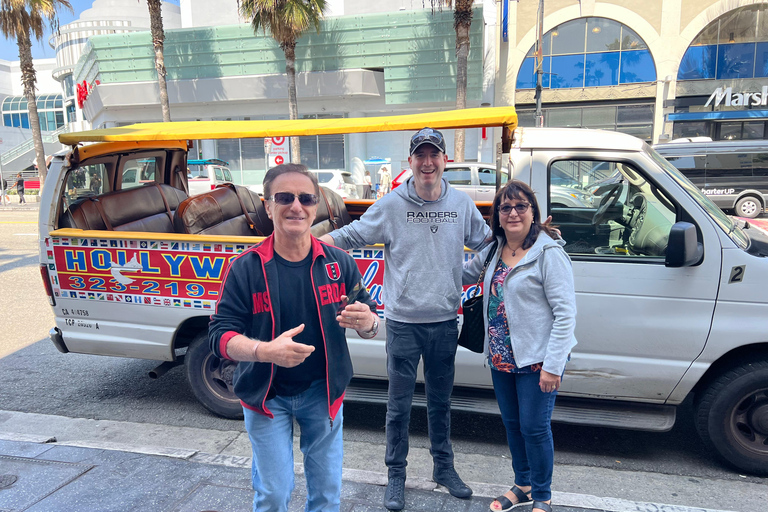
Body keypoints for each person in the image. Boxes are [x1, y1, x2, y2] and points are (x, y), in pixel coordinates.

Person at [319, 128, 491, 510]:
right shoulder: (393, 204)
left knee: (440, 403)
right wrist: (310, 244)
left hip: (445, 322)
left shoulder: (462, 205)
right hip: (402, 325)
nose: (427, 162)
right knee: (398, 406)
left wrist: (464, 273)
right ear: (410, 161)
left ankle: (443, 469)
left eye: (434, 155)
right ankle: (395, 475)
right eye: (420, 155)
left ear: (445, 160)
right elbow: (352, 235)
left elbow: (490, 244)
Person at [208, 163, 380, 512]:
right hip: (265, 396)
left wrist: (367, 322)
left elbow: (371, 320)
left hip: (323, 392)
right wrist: (264, 351)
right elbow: (219, 335)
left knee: (327, 495)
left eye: (306, 198)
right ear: (268, 205)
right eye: (284, 197)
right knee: (273, 494)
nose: (296, 206)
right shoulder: (246, 267)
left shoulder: (339, 263)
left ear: (315, 206)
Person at [462, 180, 577, 512]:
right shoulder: (494, 249)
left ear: (533, 212)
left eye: (520, 206)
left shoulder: (549, 254)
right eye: (505, 207)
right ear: (497, 215)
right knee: (512, 424)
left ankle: (543, 495)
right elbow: (466, 275)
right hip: (501, 356)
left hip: (538, 360)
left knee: (534, 427)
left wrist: (554, 365)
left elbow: (565, 314)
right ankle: (523, 485)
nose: (513, 213)